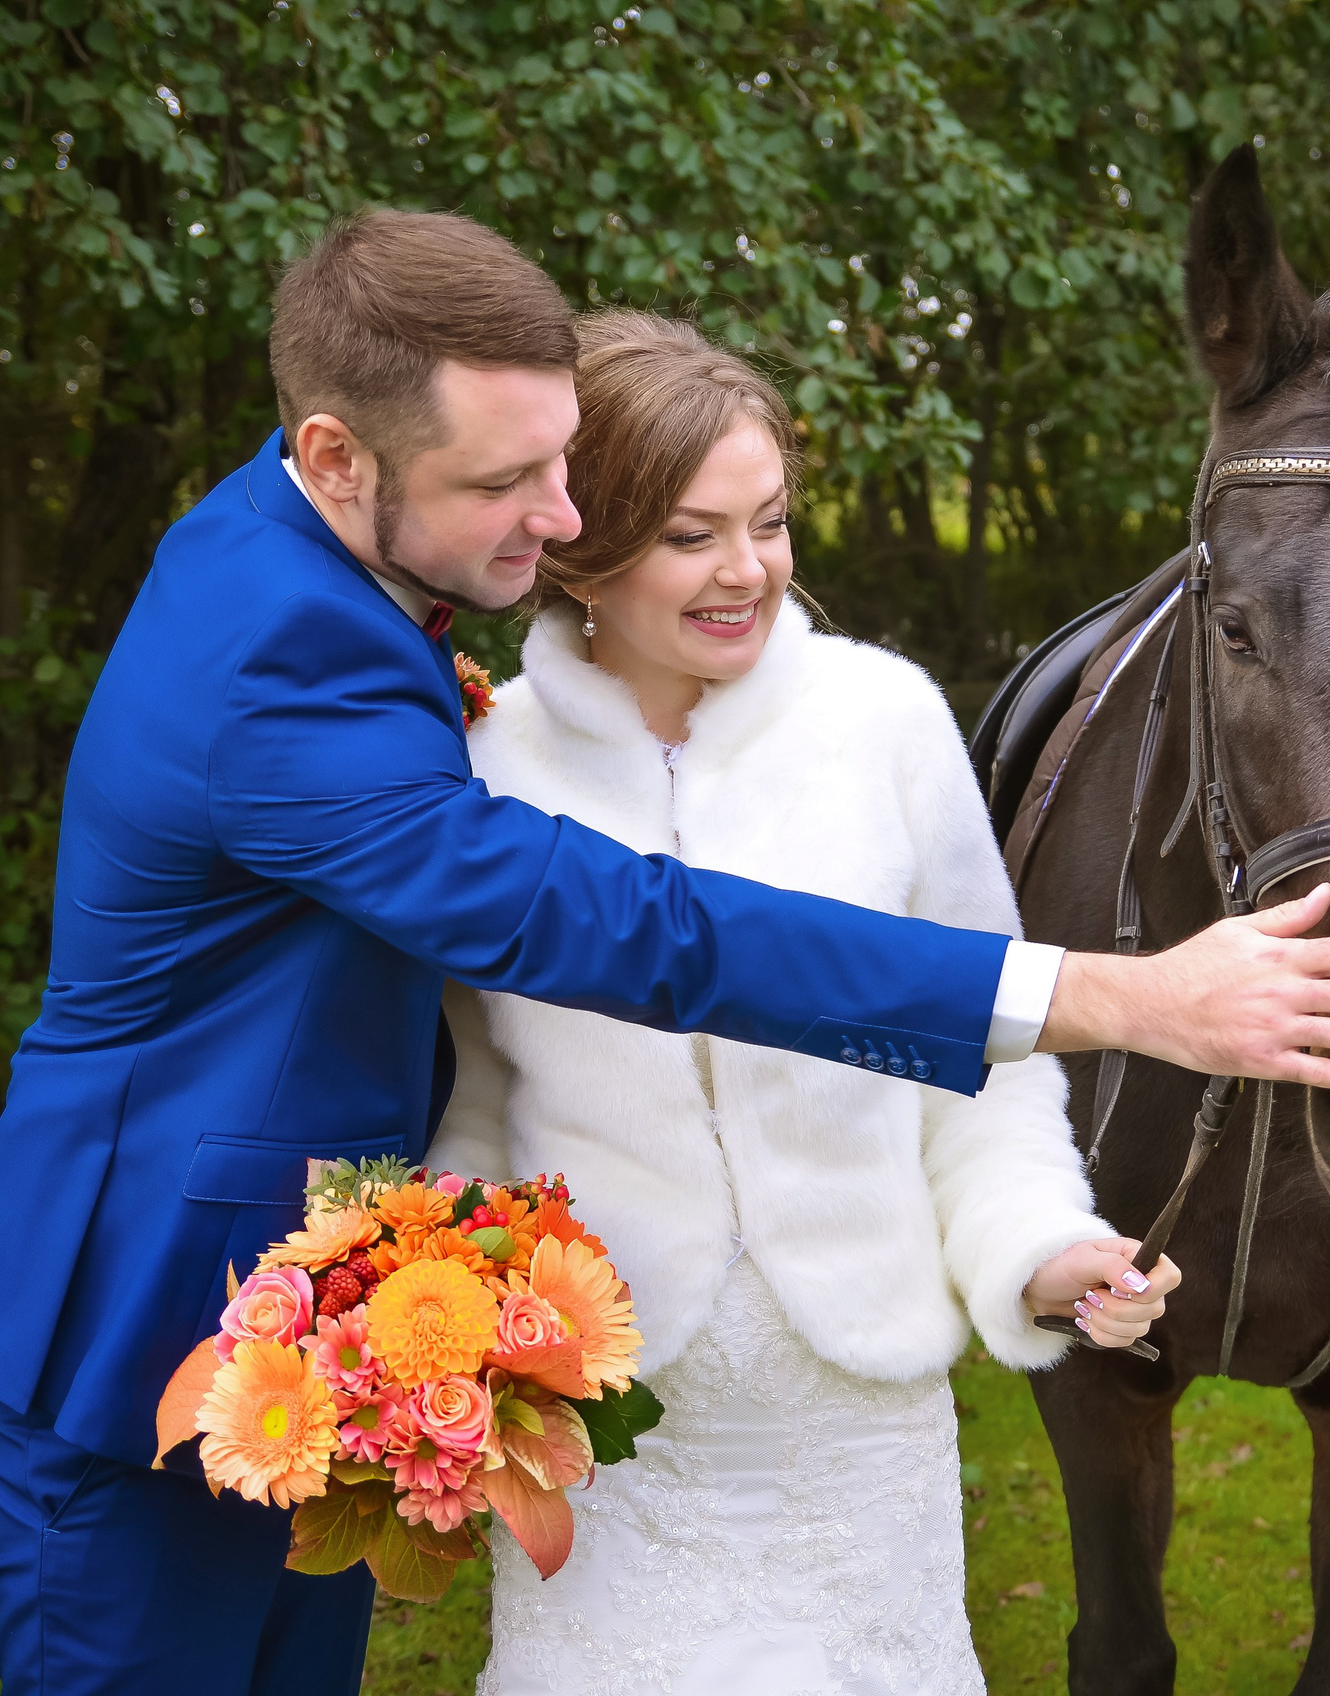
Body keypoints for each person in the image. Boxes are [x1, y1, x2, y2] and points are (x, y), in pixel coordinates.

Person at [0, 209, 1330, 1696]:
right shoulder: (284, 651)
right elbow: (609, 927)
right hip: (153, 1316)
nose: (554, 517)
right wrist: (1120, 995)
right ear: (338, 455)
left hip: (359, 1350)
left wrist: (1030, 1245)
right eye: (512, 481)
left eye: (564, 467)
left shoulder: (339, 570)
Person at [424, 311, 1157, 1693]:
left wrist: (1045, 1250)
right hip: (611, 1425)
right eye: (696, 535)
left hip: (857, 1422)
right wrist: (454, 1336)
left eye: (771, 523)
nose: (749, 570)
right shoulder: (481, 769)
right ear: (583, 544)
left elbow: (985, 1059)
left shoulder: (887, 724)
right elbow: (471, 1101)